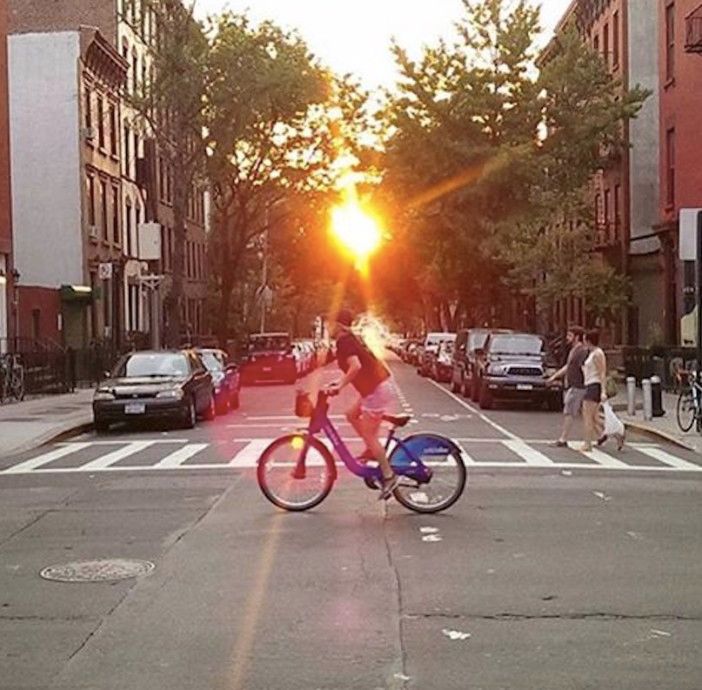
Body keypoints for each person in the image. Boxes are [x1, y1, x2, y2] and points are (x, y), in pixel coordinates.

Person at [325, 309, 399, 500]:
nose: (327, 326)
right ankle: (371, 449)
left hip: (377, 389)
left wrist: (340, 385)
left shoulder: (344, 341)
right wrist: (337, 382)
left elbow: (356, 366)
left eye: (329, 322)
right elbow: (357, 366)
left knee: (368, 433)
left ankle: (389, 476)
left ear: (339, 325)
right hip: (375, 387)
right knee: (350, 414)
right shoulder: (350, 339)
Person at [548, 326, 588, 448]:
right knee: (589, 414)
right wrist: (554, 377)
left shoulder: (581, 351)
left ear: (576, 337)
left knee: (569, 412)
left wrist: (588, 383)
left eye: (570, 335)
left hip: (578, 386)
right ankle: (608, 432)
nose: (567, 338)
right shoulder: (574, 350)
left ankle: (563, 439)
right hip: (573, 386)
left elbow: (584, 368)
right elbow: (568, 367)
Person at [581, 329, 607, 452]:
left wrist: (603, 391)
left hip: (593, 386)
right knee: (594, 417)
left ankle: (587, 444)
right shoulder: (592, 353)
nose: (583, 342)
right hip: (590, 384)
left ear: (588, 341)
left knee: (587, 417)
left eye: (584, 339)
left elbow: (602, 373)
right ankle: (613, 432)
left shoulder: (597, 354)